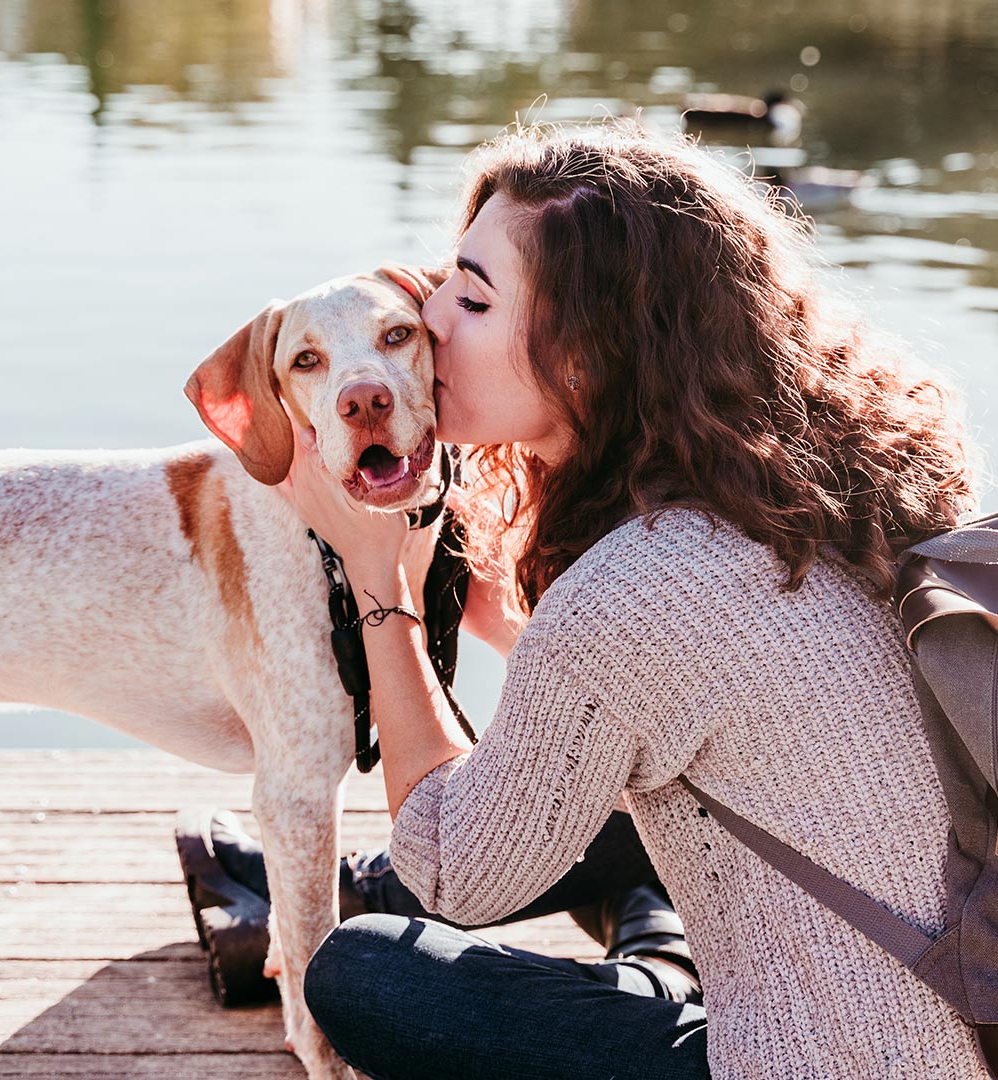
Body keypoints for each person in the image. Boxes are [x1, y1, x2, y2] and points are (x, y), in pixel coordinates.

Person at [195, 120, 988, 1079]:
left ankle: (650, 973)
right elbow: (598, 710)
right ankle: (656, 961)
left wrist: (379, 583)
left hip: (810, 1062)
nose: (434, 314)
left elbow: (455, 875)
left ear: (585, 352)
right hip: (960, 1021)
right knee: (595, 804)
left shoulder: (636, 584)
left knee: (365, 974)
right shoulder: (805, 493)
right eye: (451, 278)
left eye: (475, 300)